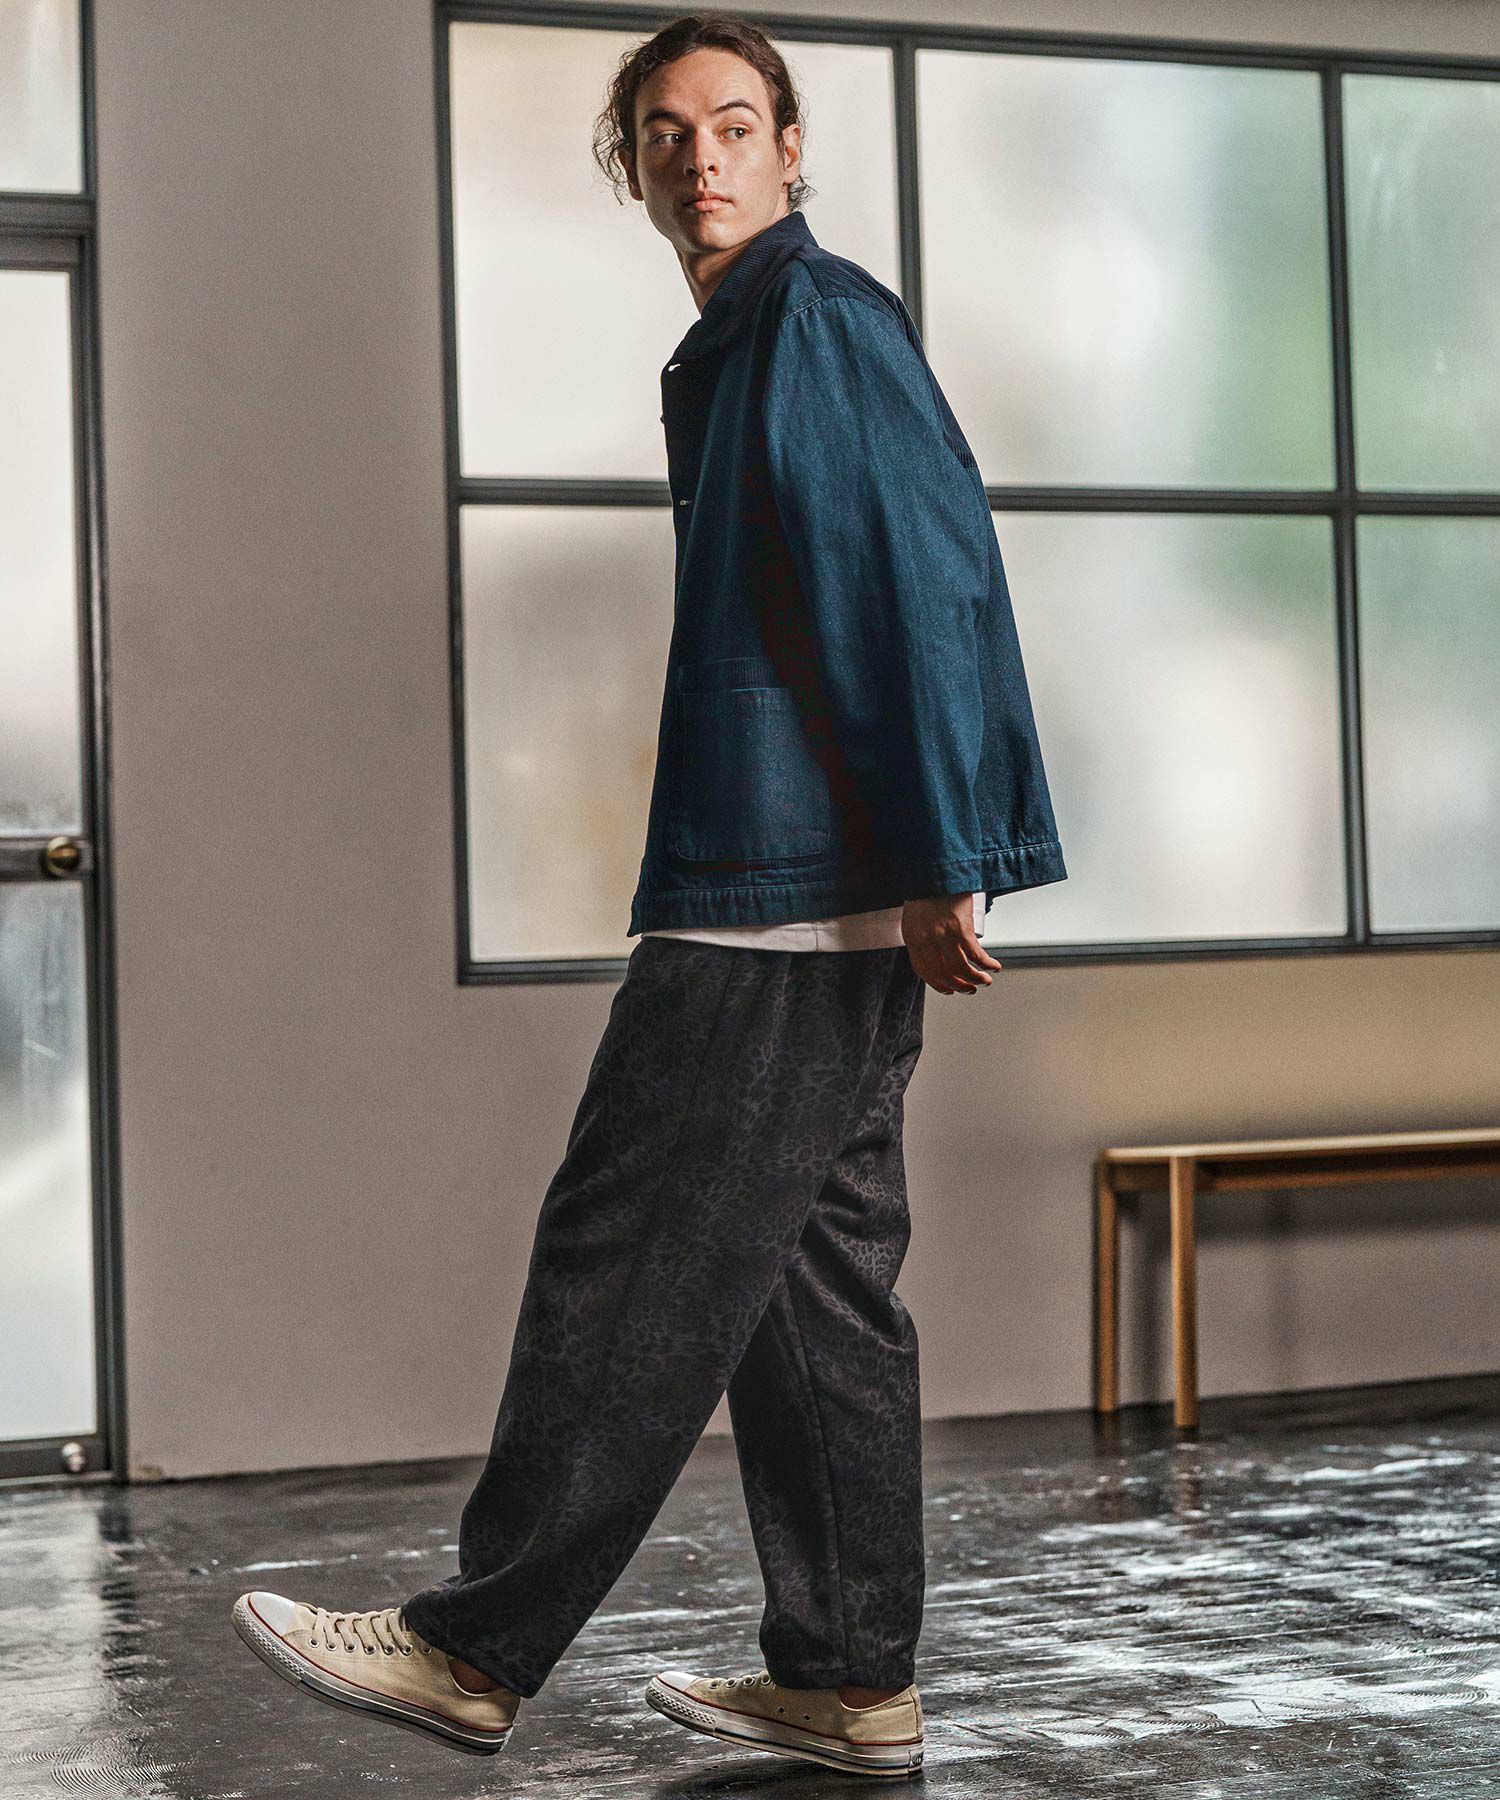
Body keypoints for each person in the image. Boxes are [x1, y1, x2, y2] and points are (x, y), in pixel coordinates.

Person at [232, 11, 1065, 1779]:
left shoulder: (814, 319)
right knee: (816, 1299)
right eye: (669, 132)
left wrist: (940, 854)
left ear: (790, 147)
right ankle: (850, 1676)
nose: (703, 159)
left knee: (623, 1261)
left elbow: (915, 581)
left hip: (781, 891)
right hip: (806, 885)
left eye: (736, 124)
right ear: (633, 162)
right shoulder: (749, 334)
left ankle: (471, 1648)